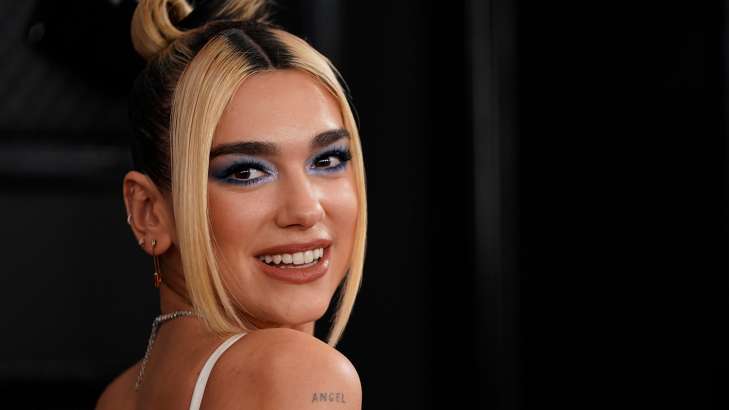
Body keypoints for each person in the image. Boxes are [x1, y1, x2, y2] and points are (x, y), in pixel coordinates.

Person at [95, 0, 367, 408]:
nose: (305, 210)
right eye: (246, 172)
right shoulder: (301, 375)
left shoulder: (120, 395)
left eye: (327, 160)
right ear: (148, 212)